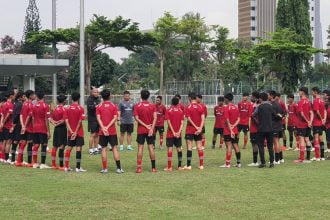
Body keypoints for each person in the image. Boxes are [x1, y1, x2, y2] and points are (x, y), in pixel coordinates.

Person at [96, 90, 124, 174]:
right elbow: (115, 118)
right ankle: (119, 168)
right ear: (109, 96)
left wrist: (103, 128)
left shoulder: (99, 106)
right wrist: (107, 127)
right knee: (114, 148)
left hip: (102, 131)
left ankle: (105, 169)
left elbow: (98, 118)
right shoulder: (113, 106)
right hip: (111, 131)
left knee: (103, 149)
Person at [134, 89, 157, 173]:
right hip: (150, 130)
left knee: (140, 148)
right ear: (148, 96)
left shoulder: (137, 106)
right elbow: (155, 118)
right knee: (151, 147)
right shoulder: (152, 106)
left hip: (141, 130)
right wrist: (151, 128)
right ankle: (153, 168)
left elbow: (136, 118)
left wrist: (144, 125)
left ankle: (139, 168)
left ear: (141, 96)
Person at [64, 92, 87, 172]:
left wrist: (71, 131)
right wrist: (75, 132)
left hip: (70, 133)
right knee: (78, 148)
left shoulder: (67, 108)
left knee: (69, 148)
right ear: (79, 98)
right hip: (79, 132)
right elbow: (80, 121)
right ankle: (77, 168)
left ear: (71, 98)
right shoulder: (81, 108)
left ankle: (66, 167)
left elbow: (66, 121)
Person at [184, 92, 205, 170]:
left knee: (189, 147)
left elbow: (188, 119)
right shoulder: (200, 106)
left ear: (189, 98)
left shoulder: (188, 107)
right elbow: (203, 118)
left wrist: (196, 127)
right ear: (195, 98)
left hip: (190, 130)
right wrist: (199, 128)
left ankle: (189, 165)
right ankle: (201, 165)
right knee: (199, 147)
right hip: (198, 130)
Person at [253, 92, 275, 168]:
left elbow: (253, 115)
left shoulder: (259, 107)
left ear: (260, 99)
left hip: (261, 129)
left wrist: (258, 122)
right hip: (270, 129)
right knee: (270, 146)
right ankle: (272, 162)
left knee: (261, 146)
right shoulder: (270, 106)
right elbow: (274, 116)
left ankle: (263, 163)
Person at [220, 93, 241, 168]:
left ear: (226, 99)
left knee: (229, 146)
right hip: (235, 130)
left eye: (224, 98)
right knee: (235, 145)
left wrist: (231, 129)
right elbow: (239, 119)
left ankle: (227, 164)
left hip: (228, 131)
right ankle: (239, 163)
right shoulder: (235, 107)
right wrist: (234, 126)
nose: (224, 100)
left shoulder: (226, 108)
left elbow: (227, 120)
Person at [164, 97, 185, 171]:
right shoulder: (181, 111)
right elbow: (182, 122)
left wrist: (173, 132)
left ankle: (169, 167)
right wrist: (178, 132)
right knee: (179, 149)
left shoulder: (168, 110)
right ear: (178, 103)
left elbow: (169, 122)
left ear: (171, 102)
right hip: (178, 134)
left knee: (170, 149)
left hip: (170, 133)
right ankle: (179, 166)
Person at [31, 91, 51, 169]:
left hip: (35, 128)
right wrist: (48, 131)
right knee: (44, 145)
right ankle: (42, 164)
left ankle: (35, 163)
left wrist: (33, 127)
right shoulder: (45, 106)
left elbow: (32, 118)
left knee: (36, 145)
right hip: (42, 128)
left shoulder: (34, 106)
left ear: (37, 97)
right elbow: (46, 119)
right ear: (44, 96)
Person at [16, 90, 35, 167]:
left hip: (23, 126)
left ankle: (18, 161)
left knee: (23, 143)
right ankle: (30, 162)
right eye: (33, 95)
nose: (34, 96)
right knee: (30, 144)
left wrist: (22, 125)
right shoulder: (30, 105)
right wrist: (25, 125)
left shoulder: (24, 104)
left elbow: (21, 115)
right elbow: (29, 116)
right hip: (29, 128)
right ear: (30, 96)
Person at [295, 87, 313, 163]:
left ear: (303, 92)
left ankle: (301, 158)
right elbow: (311, 113)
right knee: (307, 139)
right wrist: (310, 122)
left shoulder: (301, 102)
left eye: (299, 91)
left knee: (302, 140)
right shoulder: (308, 102)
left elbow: (302, 114)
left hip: (301, 125)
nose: (298, 93)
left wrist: (307, 121)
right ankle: (308, 157)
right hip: (308, 125)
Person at [49, 94, 67, 170]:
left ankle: (53, 164)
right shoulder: (64, 110)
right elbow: (64, 120)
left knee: (55, 146)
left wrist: (54, 123)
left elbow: (50, 118)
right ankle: (61, 165)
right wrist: (58, 124)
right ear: (64, 101)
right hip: (62, 129)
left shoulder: (55, 110)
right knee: (62, 146)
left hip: (56, 130)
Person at [268, 90, 285, 165]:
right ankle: (280, 158)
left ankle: (277, 159)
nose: (267, 96)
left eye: (268, 95)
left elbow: (278, 115)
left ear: (271, 96)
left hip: (275, 126)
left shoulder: (273, 104)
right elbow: (283, 113)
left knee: (276, 142)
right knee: (277, 142)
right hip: (279, 125)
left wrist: (277, 116)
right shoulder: (277, 103)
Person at [311, 87, 326, 161]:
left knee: (316, 139)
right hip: (321, 123)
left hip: (316, 122)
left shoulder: (316, 101)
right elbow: (324, 111)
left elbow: (316, 111)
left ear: (315, 92)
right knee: (321, 138)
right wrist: (323, 119)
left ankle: (317, 156)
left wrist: (321, 118)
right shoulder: (322, 101)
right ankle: (322, 156)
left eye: (312, 92)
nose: (311, 93)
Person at [0, 91, 15, 164]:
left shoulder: (3, 104)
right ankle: (6, 159)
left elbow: (2, 115)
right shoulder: (10, 105)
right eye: (13, 95)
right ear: (11, 96)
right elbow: (8, 114)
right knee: (8, 142)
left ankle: (2, 158)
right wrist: (4, 122)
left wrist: (2, 123)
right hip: (8, 126)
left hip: (4, 126)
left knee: (3, 142)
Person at [11, 91, 24, 164]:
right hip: (18, 125)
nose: (24, 97)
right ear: (20, 97)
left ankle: (14, 159)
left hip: (16, 124)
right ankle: (18, 159)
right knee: (18, 141)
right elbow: (17, 115)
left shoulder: (15, 103)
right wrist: (14, 123)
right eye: (23, 96)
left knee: (15, 141)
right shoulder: (20, 104)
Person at [87, 87, 101, 155]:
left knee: (97, 134)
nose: (96, 93)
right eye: (95, 92)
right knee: (92, 134)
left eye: (97, 92)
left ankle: (96, 148)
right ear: (92, 93)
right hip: (92, 119)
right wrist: (98, 106)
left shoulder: (98, 99)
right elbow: (91, 108)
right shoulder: (89, 99)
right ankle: (90, 149)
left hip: (97, 119)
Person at [248, 91, 260, 167]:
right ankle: (260, 160)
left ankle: (255, 162)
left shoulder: (255, 106)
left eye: (251, 96)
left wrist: (257, 123)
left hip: (254, 129)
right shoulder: (260, 105)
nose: (250, 97)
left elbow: (253, 116)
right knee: (259, 144)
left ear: (255, 97)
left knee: (254, 144)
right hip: (260, 128)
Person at [0, 96, 7, 163]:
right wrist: (1, 123)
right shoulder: (1, 108)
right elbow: (2, 116)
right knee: (2, 142)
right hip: (1, 128)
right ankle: (2, 157)